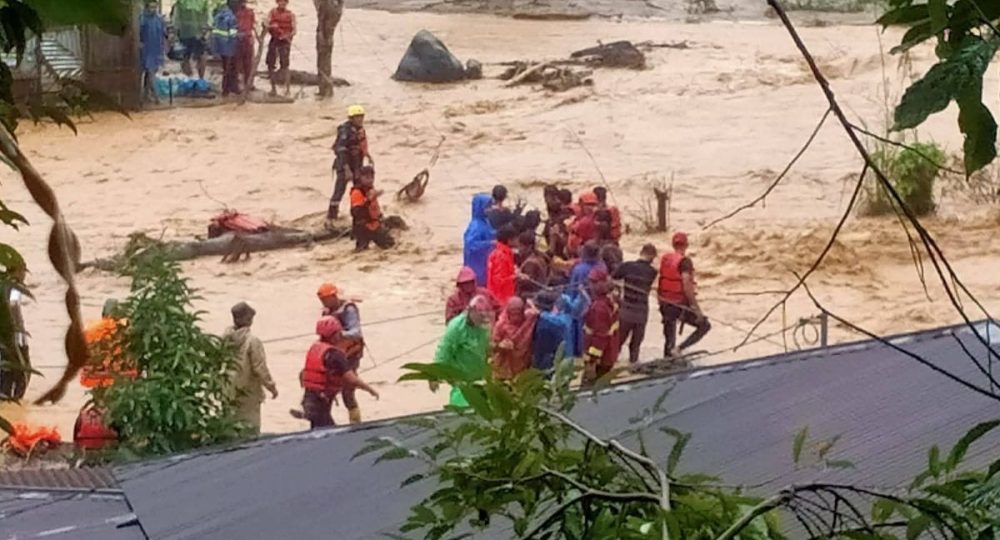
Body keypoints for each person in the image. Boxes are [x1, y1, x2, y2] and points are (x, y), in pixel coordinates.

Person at [300, 316, 379, 429]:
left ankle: (306, 414)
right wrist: (369, 389)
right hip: (321, 402)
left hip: (309, 397)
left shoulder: (315, 348)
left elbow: (303, 374)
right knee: (326, 431)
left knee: (317, 427)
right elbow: (351, 379)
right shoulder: (335, 355)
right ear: (336, 334)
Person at [224, 302, 278, 434]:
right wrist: (272, 387)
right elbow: (260, 368)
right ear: (247, 319)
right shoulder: (253, 341)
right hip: (248, 392)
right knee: (249, 428)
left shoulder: (224, 340)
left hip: (227, 390)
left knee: (230, 426)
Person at [316, 282, 366, 423]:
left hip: (350, 354)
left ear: (333, 296)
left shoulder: (348, 309)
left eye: (325, 299)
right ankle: (320, 418)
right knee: (322, 384)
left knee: (347, 391)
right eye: (321, 300)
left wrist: (341, 334)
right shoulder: (326, 312)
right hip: (333, 354)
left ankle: (355, 422)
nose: (324, 302)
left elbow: (356, 331)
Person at [432, 295, 493, 407]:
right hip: (461, 381)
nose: (482, 321)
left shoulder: (483, 326)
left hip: (480, 379)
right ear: (471, 312)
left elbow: (487, 349)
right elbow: (444, 350)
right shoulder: (456, 327)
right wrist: (434, 375)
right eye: (480, 317)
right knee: (461, 411)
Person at [658, 232, 712, 358]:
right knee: (704, 325)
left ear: (673, 244)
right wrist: (697, 310)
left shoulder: (666, 259)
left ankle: (669, 357)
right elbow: (687, 286)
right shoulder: (685, 262)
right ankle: (679, 349)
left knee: (669, 338)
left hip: (665, 304)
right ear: (686, 245)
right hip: (679, 305)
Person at [613, 244, 658, 365]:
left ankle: (613, 364)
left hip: (626, 309)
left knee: (619, 341)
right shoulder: (652, 272)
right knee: (636, 343)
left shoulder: (627, 266)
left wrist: (617, 292)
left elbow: (613, 277)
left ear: (641, 252)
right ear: (652, 257)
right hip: (642, 312)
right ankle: (633, 365)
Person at [326, 105, 371, 224]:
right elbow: (340, 150)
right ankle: (331, 216)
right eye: (357, 117)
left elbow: (360, 146)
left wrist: (368, 156)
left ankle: (360, 215)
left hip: (356, 165)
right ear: (351, 118)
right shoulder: (345, 131)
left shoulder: (359, 130)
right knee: (339, 190)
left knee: (360, 189)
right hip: (344, 165)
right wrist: (346, 169)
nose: (360, 119)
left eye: (361, 117)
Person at [81, 299, 135, 388]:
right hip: (120, 380)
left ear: (103, 314)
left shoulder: (90, 329)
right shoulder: (126, 330)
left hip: (93, 379)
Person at [567, 241, 605, 358]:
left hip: (581, 304)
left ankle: (579, 351)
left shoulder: (579, 269)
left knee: (580, 328)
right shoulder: (602, 267)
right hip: (598, 304)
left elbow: (572, 289)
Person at [583, 268, 620, 385]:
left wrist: (592, 361)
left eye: (592, 282)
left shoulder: (599, 308)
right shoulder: (610, 300)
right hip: (609, 354)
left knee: (589, 391)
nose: (589, 285)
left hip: (599, 360)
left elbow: (600, 337)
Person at [491, 297, 538, 380]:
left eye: (518, 314)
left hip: (522, 368)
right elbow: (491, 346)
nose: (516, 318)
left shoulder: (528, 319)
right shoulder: (501, 325)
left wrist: (531, 303)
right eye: (513, 314)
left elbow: (536, 312)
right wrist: (501, 346)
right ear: (508, 313)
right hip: (504, 370)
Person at [0, 266, 29, 399]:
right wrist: (17, 323)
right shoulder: (16, 286)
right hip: (15, 339)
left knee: (6, 372)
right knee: (24, 373)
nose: (24, 275)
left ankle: (5, 403)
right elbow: (14, 302)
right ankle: (15, 400)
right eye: (23, 271)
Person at [350, 166, 394, 251]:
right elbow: (356, 212)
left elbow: (374, 208)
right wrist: (369, 199)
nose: (370, 180)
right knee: (361, 252)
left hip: (375, 225)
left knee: (391, 246)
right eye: (367, 178)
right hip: (363, 228)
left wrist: (380, 217)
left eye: (372, 178)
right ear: (360, 178)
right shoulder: (357, 192)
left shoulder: (371, 189)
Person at [531, 291, 570, 375]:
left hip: (547, 360)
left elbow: (541, 348)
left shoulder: (545, 324)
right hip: (561, 357)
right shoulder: (562, 317)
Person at [462, 193, 496, 286]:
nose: (490, 209)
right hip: (477, 265)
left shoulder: (485, 221)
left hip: (485, 262)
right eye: (487, 207)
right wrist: (490, 243)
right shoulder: (475, 226)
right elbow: (470, 245)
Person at [171, 0, 210, 79]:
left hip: (196, 33)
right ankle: (189, 79)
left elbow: (207, 15)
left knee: (200, 56)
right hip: (186, 33)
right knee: (186, 57)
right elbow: (176, 16)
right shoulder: (181, 2)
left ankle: (199, 79)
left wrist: (206, 29)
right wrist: (174, 31)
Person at [265, 0, 296, 96]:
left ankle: (287, 89)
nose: (282, 3)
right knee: (270, 64)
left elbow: (294, 30)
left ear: (287, 3)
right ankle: (273, 89)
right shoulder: (272, 12)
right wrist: (271, 26)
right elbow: (266, 24)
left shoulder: (291, 15)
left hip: (285, 42)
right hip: (274, 40)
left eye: (284, 2)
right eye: (280, 1)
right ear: (277, 2)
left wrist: (287, 36)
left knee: (285, 65)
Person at [139, 0, 167, 104]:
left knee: (150, 73)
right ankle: (156, 97)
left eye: (155, 7)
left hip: (156, 50)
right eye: (151, 7)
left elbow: (163, 34)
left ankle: (146, 95)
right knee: (150, 74)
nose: (153, 10)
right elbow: (139, 34)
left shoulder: (159, 19)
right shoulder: (142, 19)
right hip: (146, 49)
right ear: (146, 8)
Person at [212, 1, 240, 97]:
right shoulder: (231, 18)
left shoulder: (218, 16)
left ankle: (226, 89)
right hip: (229, 47)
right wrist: (241, 36)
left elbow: (214, 33)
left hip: (219, 47)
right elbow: (233, 34)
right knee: (228, 68)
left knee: (225, 68)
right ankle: (226, 89)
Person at [487, 225, 517, 305]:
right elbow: (499, 281)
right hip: (501, 298)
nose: (517, 241)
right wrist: (516, 277)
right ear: (509, 240)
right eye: (515, 239)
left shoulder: (502, 253)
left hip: (501, 295)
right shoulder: (501, 257)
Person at [516, 231, 549, 299]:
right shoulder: (540, 258)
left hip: (531, 297)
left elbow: (528, 283)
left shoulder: (531, 263)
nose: (519, 249)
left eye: (521, 246)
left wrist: (516, 274)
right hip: (539, 294)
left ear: (529, 247)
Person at [234, 0, 256, 92]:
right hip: (238, 39)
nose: (243, 3)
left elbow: (252, 25)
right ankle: (238, 84)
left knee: (249, 63)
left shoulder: (250, 12)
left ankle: (248, 83)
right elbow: (234, 26)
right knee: (237, 63)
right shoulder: (235, 13)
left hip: (248, 38)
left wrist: (253, 37)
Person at [568, 192, 598, 257]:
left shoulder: (592, 219)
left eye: (593, 205)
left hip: (587, 250)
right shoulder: (577, 217)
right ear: (581, 205)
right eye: (588, 205)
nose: (590, 207)